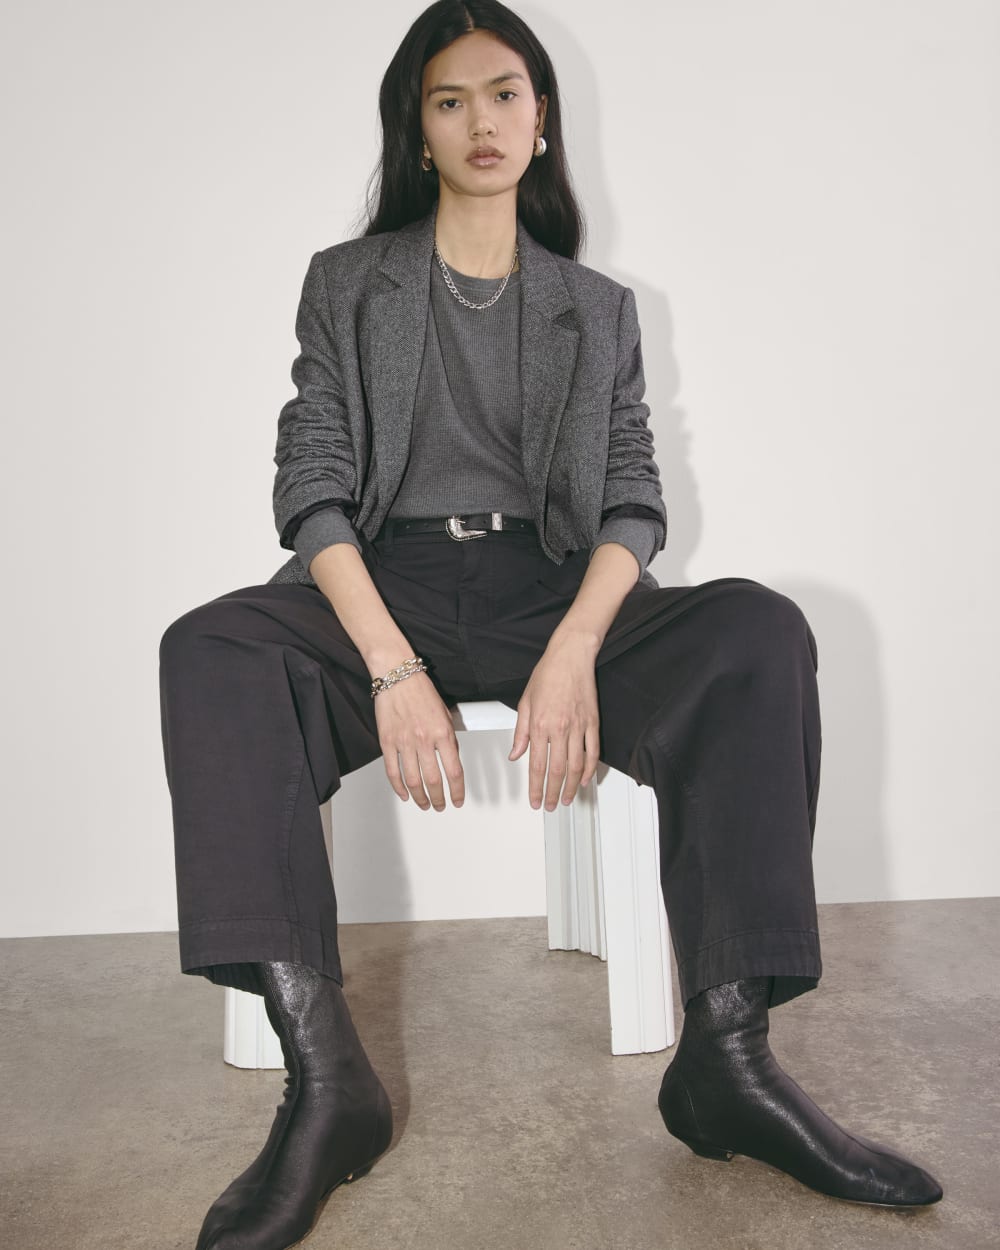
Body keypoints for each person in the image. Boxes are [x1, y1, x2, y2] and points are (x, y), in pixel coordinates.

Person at [158, 2, 944, 1246]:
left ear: (541, 122)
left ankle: (728, 1058)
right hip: (383, 583)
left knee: (755, 631)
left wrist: (576, 645)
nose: (481, 120)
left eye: (505, 94)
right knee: (210, 648)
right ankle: (324, 1077)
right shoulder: (348, 284)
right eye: (450, 99)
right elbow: (310, 485)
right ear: (418, 131)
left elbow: (632, 496)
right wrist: (391, 665)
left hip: (549, 588)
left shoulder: (598, 306)